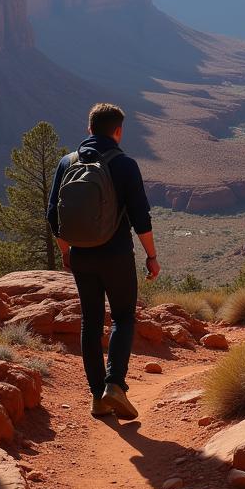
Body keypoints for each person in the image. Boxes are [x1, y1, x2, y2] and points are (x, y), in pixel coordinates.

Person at [47, 103, 160, 420]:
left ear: (89, 129)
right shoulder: (124, 164)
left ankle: (97, 397)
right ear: (118, 131)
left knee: (90, 322)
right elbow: (141, 217)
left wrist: (66, 251)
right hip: (117, 254)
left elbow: (52, 215)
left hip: (82, 255)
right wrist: (151, 256)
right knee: (123, 318)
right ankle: (114, 385)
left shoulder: (66, 162)